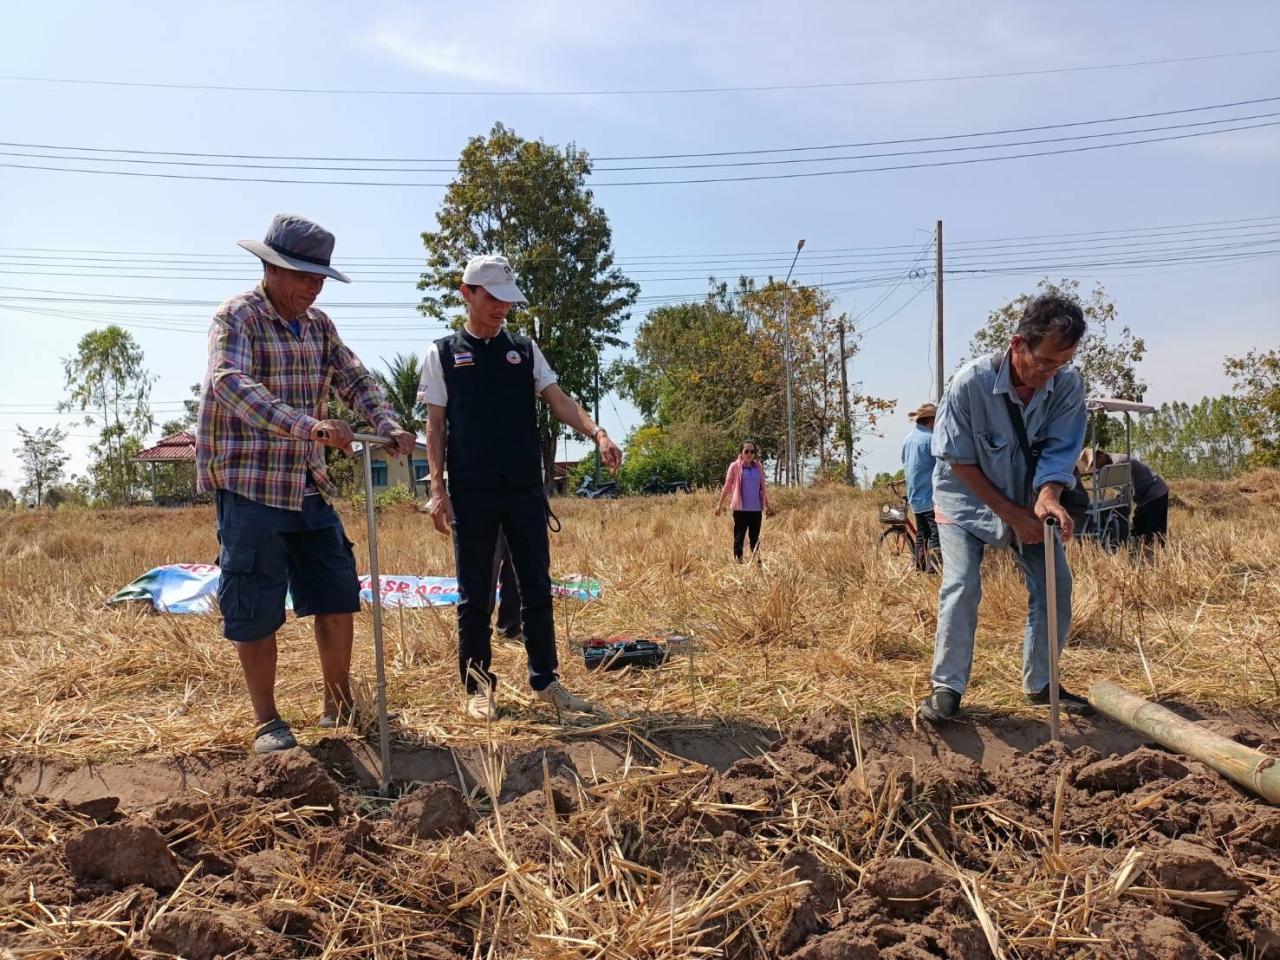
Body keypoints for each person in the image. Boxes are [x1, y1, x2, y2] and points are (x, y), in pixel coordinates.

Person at [197, 213, 417, 754]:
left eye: (319, 278)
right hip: (251, 484)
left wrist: (387, 424)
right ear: (270, 268)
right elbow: (230, 384)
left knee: (337, 590)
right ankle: (267, 721)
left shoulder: (319, 326)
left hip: (307, 483)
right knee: (254, 603)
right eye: (303, 276)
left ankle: (338, 705)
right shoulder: (238, 317)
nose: (313, 287)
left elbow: (356, 379)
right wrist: (309, 426)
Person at [419, 254, 623, 721]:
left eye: (507, 301)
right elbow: (435, 427)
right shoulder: (443, 354)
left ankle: (545, 680)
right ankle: (477, 686)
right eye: (492, 298)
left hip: (525, 489)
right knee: (474, 593)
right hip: (471, 491)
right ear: (467, 294)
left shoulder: (524, 350)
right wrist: (438, 491)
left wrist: (598, 433)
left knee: (536, 587)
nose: (501, 309)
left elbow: (559, 401)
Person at [920, 294, 1091, 724]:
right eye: (1045, 361)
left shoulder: (1067, 386)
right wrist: (1011, 515)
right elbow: (958, 461)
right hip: (964, 498)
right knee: (962, 584)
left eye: (1062, 363)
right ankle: (947, 687)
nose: (1051, 372)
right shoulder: (969, 384)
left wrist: (1048, 495)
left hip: (1028, 499)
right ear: (1017, 344)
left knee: (1055, 585)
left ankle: (1042, 683)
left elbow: (1060, 449)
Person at [1082, 448, 1169, 552]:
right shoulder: (1109, 465)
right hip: (1143, 497)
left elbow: (1129, 488)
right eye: (1092, 465)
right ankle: (1139, 552)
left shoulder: (1120, 462)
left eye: (1094, 463)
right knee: (1138, 529)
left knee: (1153, 530)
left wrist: (1123, 509)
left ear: (1101, 455)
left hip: (1155, 491)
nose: (1095, 467)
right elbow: (1121, 489)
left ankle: (1156, 555)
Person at [714, 441, 771, 562]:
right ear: (741, 452)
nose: (749, 454)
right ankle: (738, 563)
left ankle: (757, 563)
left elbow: (762, 489)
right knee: (739, 537)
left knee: (755, 538)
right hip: (741, 509)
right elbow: (727, 486)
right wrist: (719, 505)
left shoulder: (758, 467)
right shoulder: (735, 466)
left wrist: (767, 505)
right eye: (746, 451)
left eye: (752, 451)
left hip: (756, 509)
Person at [901, 403, 940, 571]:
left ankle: (920, 568)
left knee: (921, 534)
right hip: (930, 496)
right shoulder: (931, 439)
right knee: (936, 534)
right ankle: (933, 570)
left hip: (915, 496)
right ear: (931, 420)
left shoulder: (908, 439)